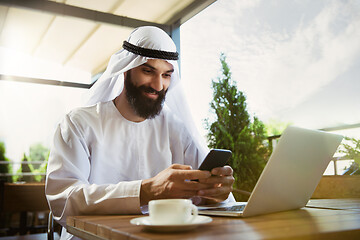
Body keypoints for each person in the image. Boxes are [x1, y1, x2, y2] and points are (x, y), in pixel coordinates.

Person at [45, 26, 235, 240]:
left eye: (166, 75)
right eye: (148, 71)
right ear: (126, 69)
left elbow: (203, 198)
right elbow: (63, 201)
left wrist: (214, 194)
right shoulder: (78, 123)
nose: (158, 85)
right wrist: (146, 190)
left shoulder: (177, 128)